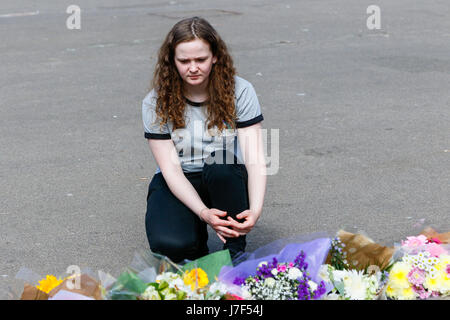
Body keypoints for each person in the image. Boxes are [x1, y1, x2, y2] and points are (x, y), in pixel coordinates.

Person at [142, 16, 267, 263]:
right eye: (184, 60)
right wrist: (202, 213)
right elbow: (171, 169)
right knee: (171, 246)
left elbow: (255, 159)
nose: (193, 67)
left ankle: (233, 247)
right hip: (181, 177)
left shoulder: (240, 91)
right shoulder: (155, 102)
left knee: (220, 161)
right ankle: (194, 237)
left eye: (201, 59)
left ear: (215, 57)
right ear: (171, 61)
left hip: (224, 174)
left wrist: (255, 210)